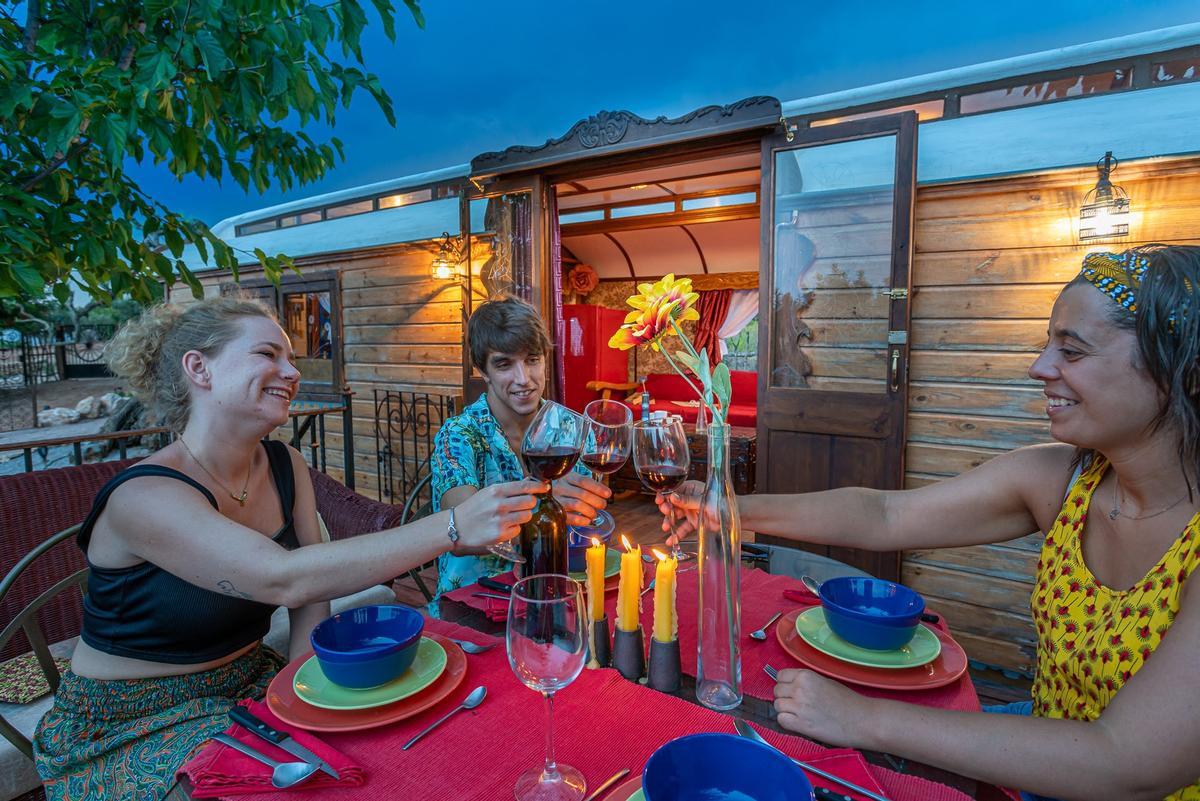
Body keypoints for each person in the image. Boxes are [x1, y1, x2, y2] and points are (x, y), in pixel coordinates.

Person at [663, 245, 1200, 800]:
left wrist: (865, 719)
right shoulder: (1066, 482)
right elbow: (885, 513)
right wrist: (729, 509)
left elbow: (1127, 762)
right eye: (1047, 345)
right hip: (1043, 731)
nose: (1040, 367)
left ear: (1181, 370)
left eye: (1073, 350)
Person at [32, 296, 545, 801]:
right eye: (267, 354)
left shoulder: (284, 464)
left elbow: (310, 597)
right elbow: (285, 577)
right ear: (199, 369)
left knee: (399, 750)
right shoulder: (142, 495)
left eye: (291, 358)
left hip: (250, 681)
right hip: (129, 720)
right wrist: (452, 526)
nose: (291, 371)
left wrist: (307, 701)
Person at [430, 296, 611, 607]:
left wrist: (589, 507)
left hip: (560, 593)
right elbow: (461, 533)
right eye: (504, 364)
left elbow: (591, 518)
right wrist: (546, 504)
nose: (524, 379)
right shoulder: (459, 434)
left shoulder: (572, 428)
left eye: (532, 359)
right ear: (482, 370)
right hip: (476, 601)